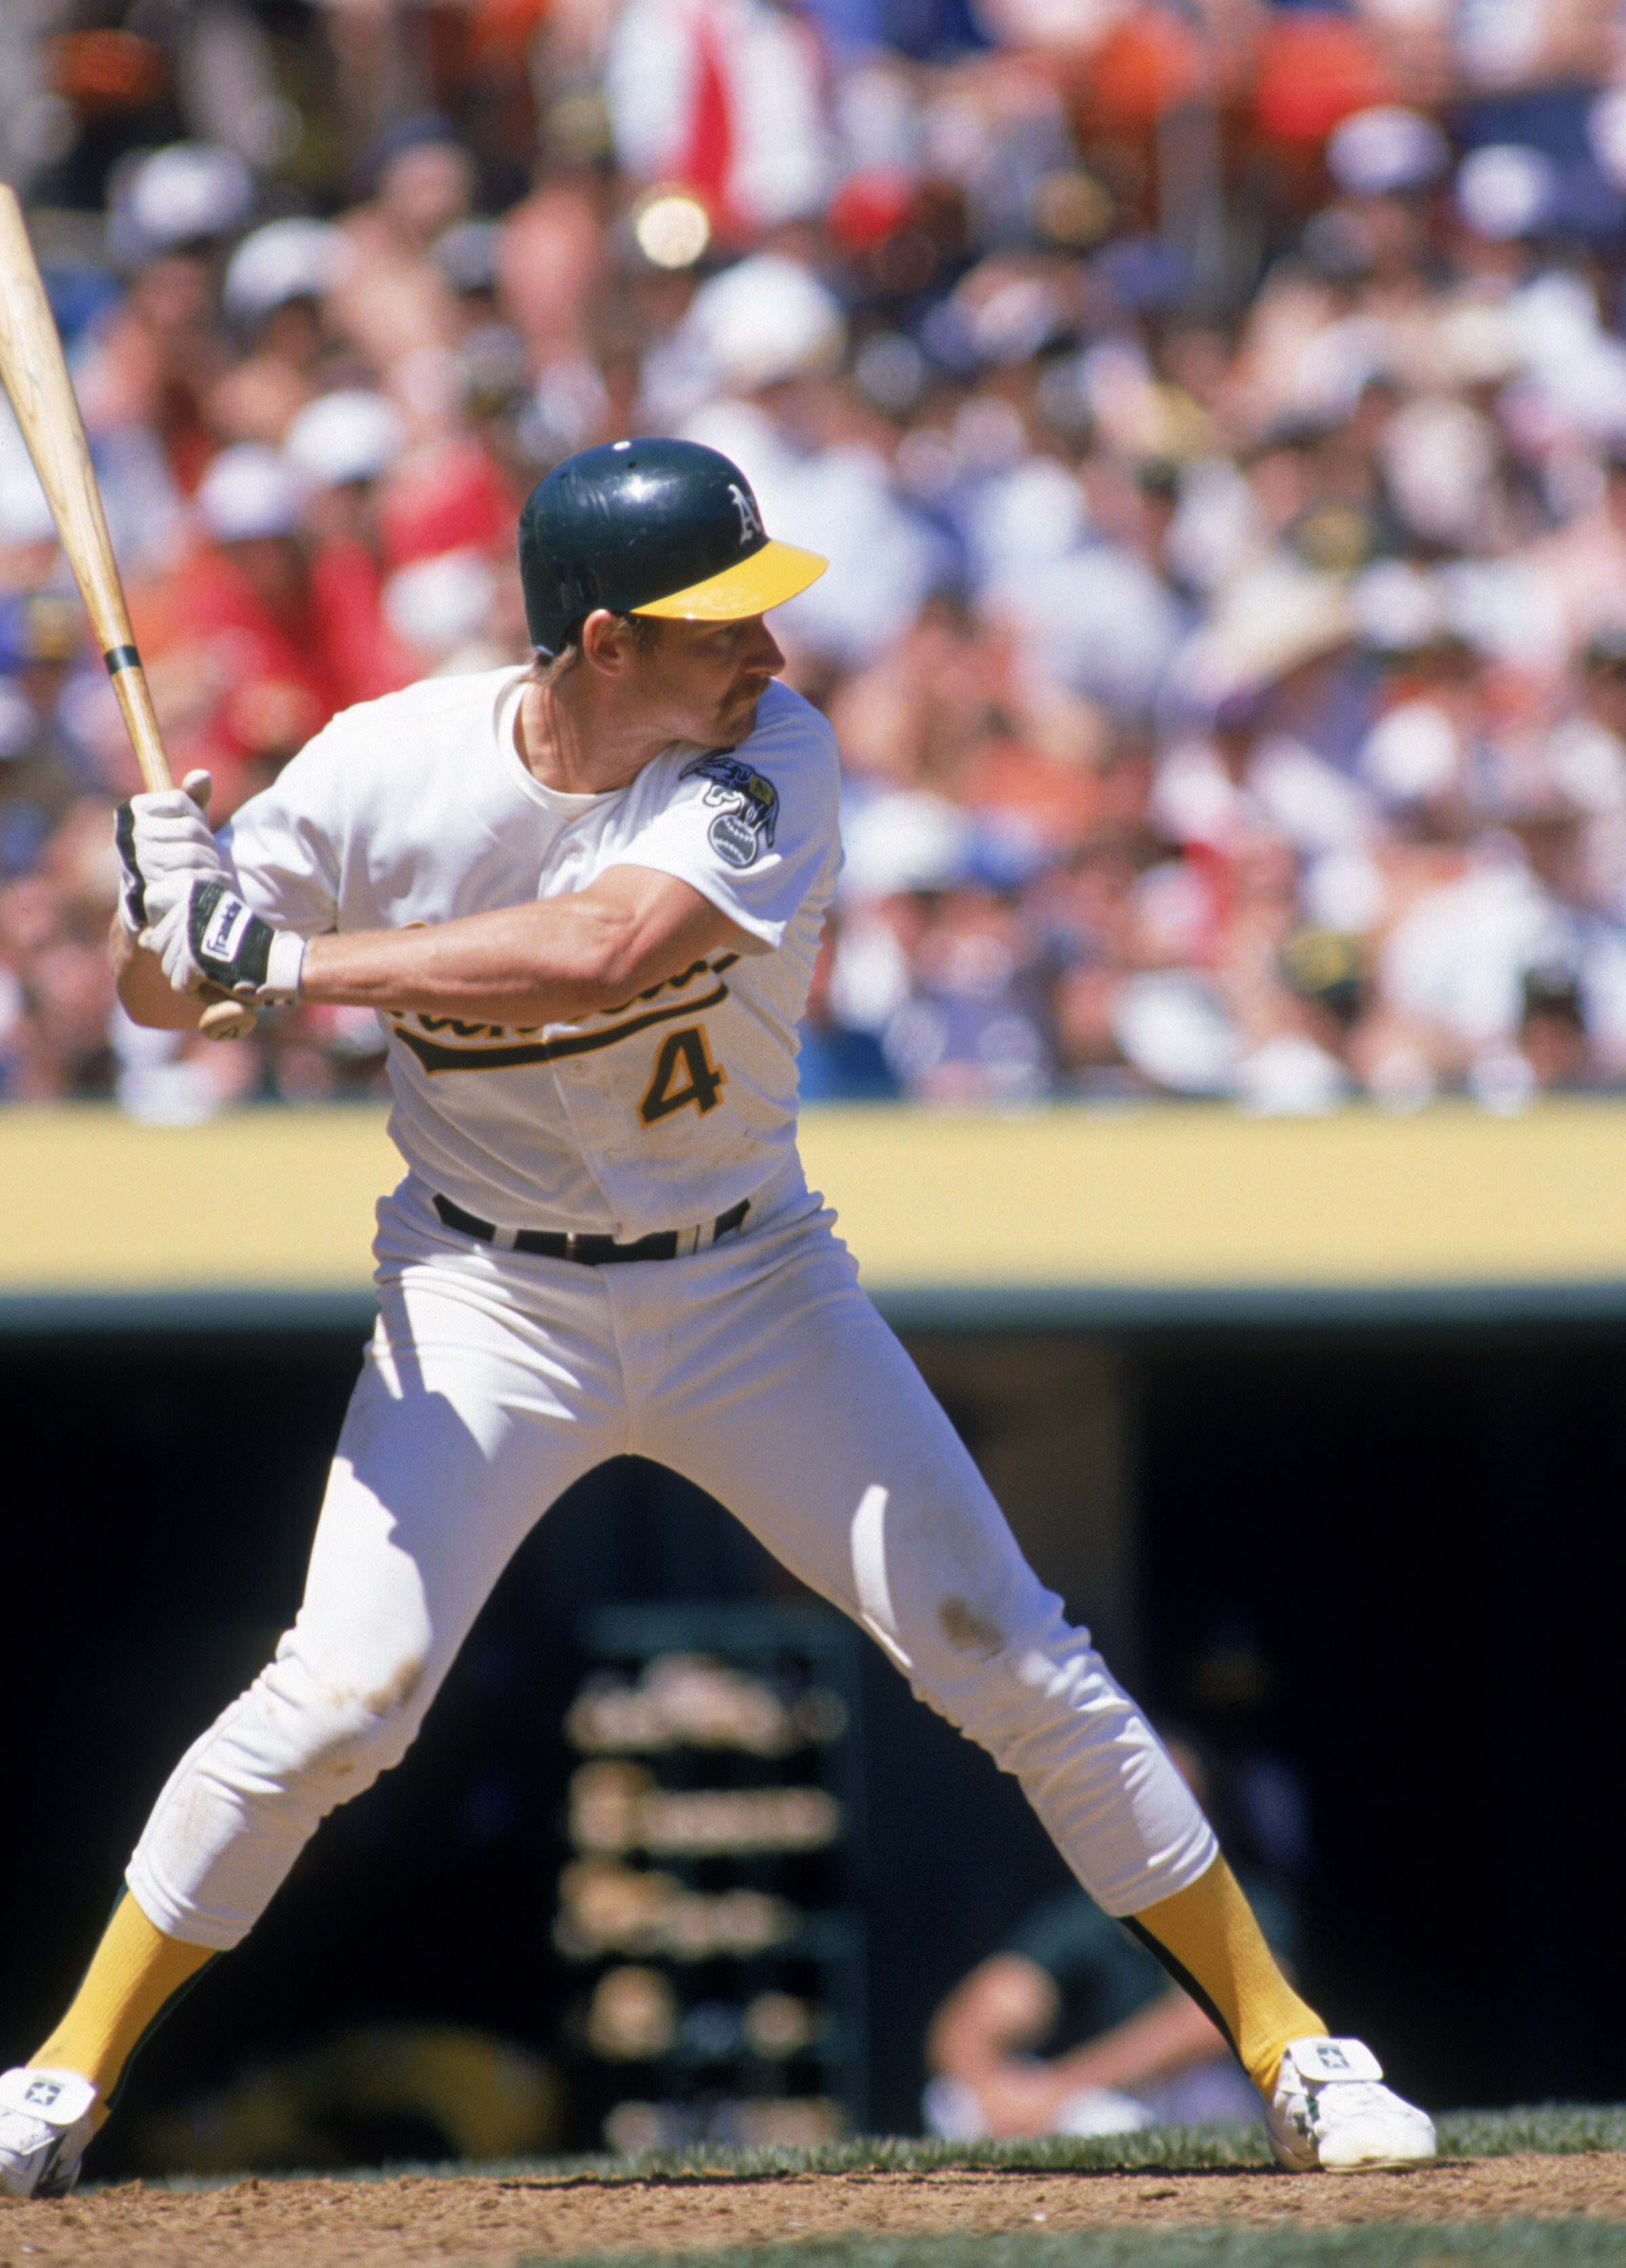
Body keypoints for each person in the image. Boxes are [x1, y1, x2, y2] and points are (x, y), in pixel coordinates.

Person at [0, 438, 1434, 2197]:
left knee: (1008, 1648)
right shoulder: (384, 765)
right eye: (717, 627)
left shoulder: (774, 758)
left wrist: (280, 955)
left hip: (751, 1280)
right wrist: (170, 893)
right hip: (481, 1291)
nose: (765, 655)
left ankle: (1299, 2050)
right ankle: (60, 2080)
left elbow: (606, 945)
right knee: (343, 1696)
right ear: (602, 643)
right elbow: (169, 998)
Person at [923, 1739, 1299, 2140]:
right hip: (1103, 2103)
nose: (1152, 1820)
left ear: (1205, 1814)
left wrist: (1062, 2088)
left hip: (1198, 2100)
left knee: (1204, 2092)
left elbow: (1214, 2025)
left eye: (1170, 1804)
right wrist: (996, 2097)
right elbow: (971, 2022)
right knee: (950, 2099)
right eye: (1138, 1804)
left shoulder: (1249, 1902)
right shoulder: (1093, 1914)